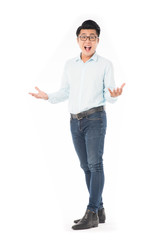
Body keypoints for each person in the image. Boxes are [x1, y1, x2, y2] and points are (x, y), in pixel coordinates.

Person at [29, 20, 125, 230]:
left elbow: (109, 93)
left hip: (95, 119)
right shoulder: (69, 64)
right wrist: (48, 96)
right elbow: (65, 91)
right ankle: (99, 209)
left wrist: (115, 95)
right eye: (83, 37)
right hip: (75, 120)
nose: (87, 40)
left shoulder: (105, 64)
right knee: (85, 166)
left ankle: (91, 212)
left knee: (95, 164)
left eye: (91, 37)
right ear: (78, 40)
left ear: (97, 40)